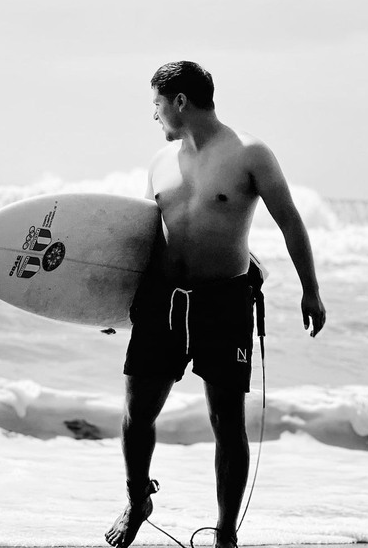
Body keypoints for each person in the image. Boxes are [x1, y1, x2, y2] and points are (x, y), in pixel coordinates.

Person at [104, 61, 326, 548]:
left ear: (179, 101)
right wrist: (108, 301)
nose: (154, 115)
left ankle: (225, 534)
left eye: (157, 104)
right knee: (137, 413)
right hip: (161, 299)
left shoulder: (249, 153)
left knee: (227, 422)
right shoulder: (160, 162)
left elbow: (290, 221)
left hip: (223, 301)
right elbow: (146, 237)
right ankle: (138, 499)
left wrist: (310, 289)